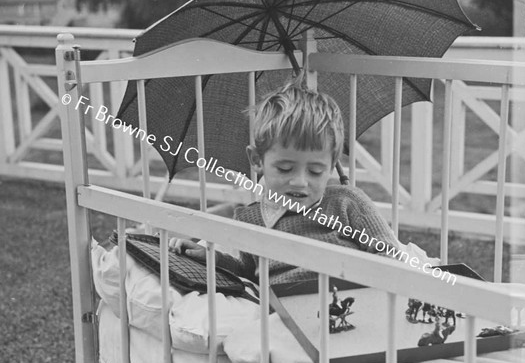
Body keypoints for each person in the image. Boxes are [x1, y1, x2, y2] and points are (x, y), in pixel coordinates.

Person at [169, 73, 403, 285]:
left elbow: (390, 255)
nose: (300, 181)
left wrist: (351, 276)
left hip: (343, 298)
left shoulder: (348, 202)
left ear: (332, 166)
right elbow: (249, 272)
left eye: (315, 171)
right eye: (285, 168)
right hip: (283, 311)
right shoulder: (251, 218)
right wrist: (213, 259)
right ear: (257, 160)